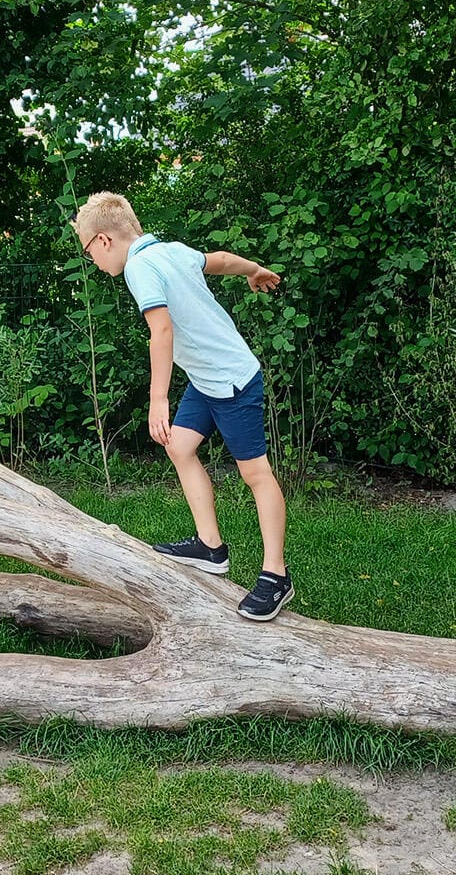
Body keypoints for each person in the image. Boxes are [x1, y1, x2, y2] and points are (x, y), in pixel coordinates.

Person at [72, 192, 294, 620]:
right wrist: (255, 270)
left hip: (231, 380)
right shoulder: (171, 250)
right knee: (180, 446)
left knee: (255, 474)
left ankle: (276, 576)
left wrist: (158, 400)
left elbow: (162, 331)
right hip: (205, 379)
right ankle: (210, 548)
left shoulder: (139, 267)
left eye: (89, 254)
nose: (95, 264)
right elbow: (224, 259)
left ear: (102, 240)